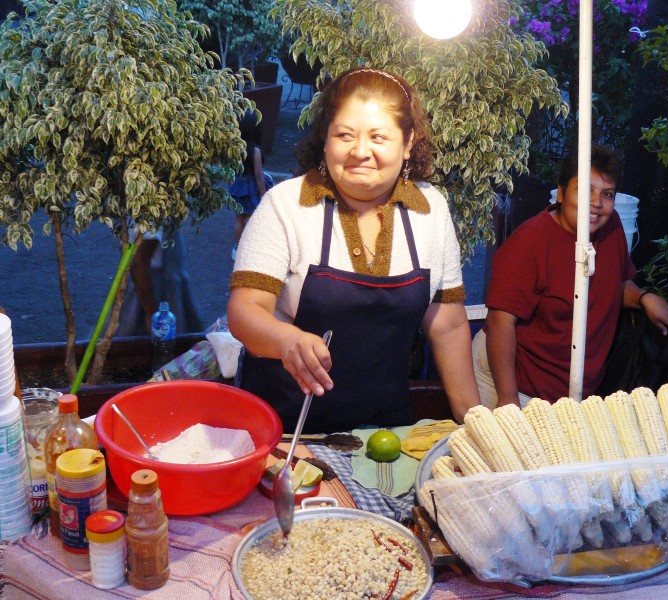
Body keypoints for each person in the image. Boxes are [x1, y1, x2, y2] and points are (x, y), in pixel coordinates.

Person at [227, 67, 479, 433]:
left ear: (407, 143)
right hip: (286, 428)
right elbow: (245, 310)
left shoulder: (430, 209)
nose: (360, 151)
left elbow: (448, 324)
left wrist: (474, 422)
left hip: (384, 432)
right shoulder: (287, 205)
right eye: (345, 135)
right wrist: (287, 340)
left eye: (379, 137)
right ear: (326, 139)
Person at [473, 145, 668, 408]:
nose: (596, 203)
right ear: (560, 193)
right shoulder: (530, 242)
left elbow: (612, 285)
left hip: (572, 391)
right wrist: (507, 399)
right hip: (515, 381)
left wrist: (643, 297)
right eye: (585, 190)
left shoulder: (611, 227)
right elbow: (500, 323)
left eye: (607, 194)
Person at [116, 228, 203, 337]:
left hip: (158, 289)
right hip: (154, 293)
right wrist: (152, 314)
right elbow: (139, 263)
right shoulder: (152, 222)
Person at [229, 110, 272, 261]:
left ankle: (237, 247)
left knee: (239, 219)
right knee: (253, 219)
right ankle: (251, 247)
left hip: (238, 186)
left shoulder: (235, 148)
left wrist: (231, 185)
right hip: (251, 188)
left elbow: (230, 169)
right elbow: (258, 173)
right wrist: (263, 192)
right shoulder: (255, 150)